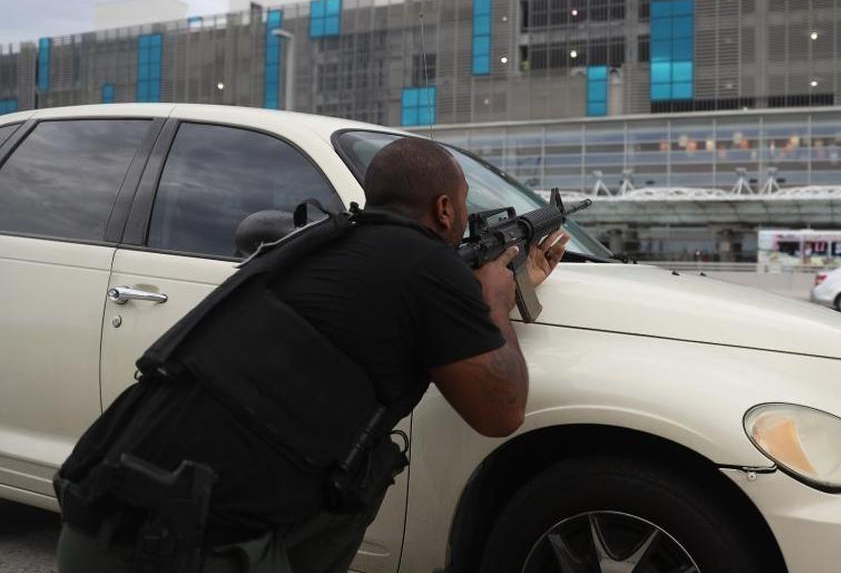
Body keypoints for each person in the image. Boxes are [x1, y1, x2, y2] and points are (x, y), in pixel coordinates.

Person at [55, 136, 570, 573]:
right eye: (463, 207)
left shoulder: (317, 245)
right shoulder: (429, 270)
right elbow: (501, 412)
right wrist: (497, 303)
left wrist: (506, 283)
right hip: (182, 550)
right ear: (443, 209)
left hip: (95, 519)